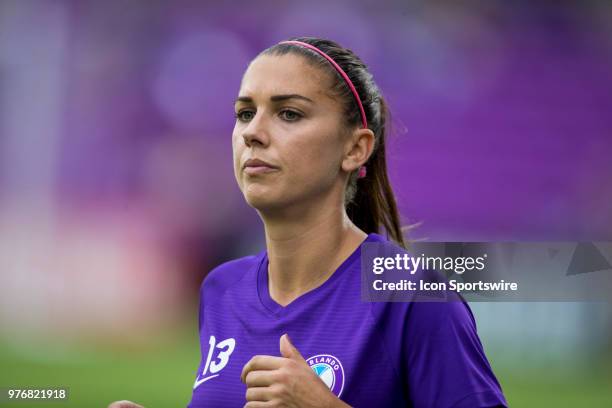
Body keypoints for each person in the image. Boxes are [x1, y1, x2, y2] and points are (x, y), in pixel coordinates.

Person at [109, 37, 508, 408]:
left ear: (355, 149)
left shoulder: (411, 296)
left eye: (289, 113)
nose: (253, 133)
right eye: (245, 113)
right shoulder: (222, 289)